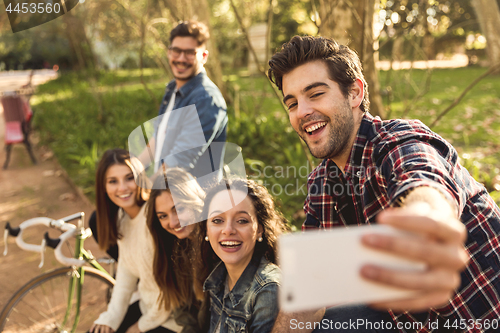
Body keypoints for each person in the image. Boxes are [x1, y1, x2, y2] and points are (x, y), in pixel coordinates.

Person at [267, 36, 500, 332]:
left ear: (354, 92)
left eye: (315, 94)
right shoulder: (321, 184)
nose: (302, 111)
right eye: (292, 103)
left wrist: (428, 223)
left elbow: (422, 179)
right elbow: (309, 291)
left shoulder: (396, 140)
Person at [90, 149, 181, 333]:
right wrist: (111, 317)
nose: (122, 188)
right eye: (113, 181)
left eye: (129, 178)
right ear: (103, 187)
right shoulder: (122, 218)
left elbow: (169, 292)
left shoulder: (155, 217)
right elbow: (125, 273)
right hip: (149, 307)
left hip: (174, 316)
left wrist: (139, 327)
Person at [193, 178, 290, 333]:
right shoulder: (217, 275)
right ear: (206, 230)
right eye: (217, 220)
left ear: (260, 230)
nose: (228, 230)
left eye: (242, 220)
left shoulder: (268, 289)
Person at [139, 20, 227, 189]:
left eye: (189, 53)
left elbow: (178, 161)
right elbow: (159, 137)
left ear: (204, 56)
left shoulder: (206, 99)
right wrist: (132, 169)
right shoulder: (173, 89)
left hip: (193, 204)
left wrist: (148, 190)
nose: (181, 59)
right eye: (176, 51)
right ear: (168, 52)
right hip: (167, 191)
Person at [146, 168, 206, 333]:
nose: (173, 223)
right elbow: (187, 315)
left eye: (179, 209)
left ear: (195, 201)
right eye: (162, 216)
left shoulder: (219, 245)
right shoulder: (177, 250)